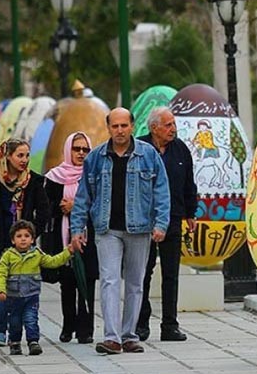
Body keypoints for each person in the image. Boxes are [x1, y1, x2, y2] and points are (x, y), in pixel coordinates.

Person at [69, 108, 170, 355]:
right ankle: (112, 337)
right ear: (108, 128)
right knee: (110, 281)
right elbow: (83, 196)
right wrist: (77, 229)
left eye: (124, 125)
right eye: (115, 126)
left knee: (136, 283)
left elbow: (162, 191)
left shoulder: (148, 155)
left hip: (140, 228)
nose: (120, 130)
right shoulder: (95, 158)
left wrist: (161, 223)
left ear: (132, 126)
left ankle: (129, 335)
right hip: (106, 229)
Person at [0, 138, 50, 347]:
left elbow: (44, 211)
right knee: (0, 286)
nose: (24, 160)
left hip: (25, 244)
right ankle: (2, 330)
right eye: (20, 155)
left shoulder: (34, 181)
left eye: (27, 155)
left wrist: (30, 233)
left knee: (26, 287)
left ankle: (26, 329)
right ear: (7, 156)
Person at [136, 107, 197, 342]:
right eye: (168, 125)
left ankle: (169, 324)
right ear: (154, 128)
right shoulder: (140, 148)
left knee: (171, 273)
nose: (174, 129)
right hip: (144, 220)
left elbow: (188, 183)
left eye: (173, 124)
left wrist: (191, 213)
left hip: (173, 218)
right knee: (143, 272)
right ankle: (141, 322)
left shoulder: (181, 149)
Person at [42, 132, 99, 344]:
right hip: (62, 238)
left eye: (85, 149)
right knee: (67, 283)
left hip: (88, 238)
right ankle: (68, 326)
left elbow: (101, 205)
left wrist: (76, 207)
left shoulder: (94, 175)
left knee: (88, 282)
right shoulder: (54, 177)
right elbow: (45, 210)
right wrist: (62, 209)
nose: (81, 153)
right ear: (68, 150)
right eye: (77, 149)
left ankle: (86, 329)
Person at [0, 220, 72, 356]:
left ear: (32, 239)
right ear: (13, 240)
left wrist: (68, 252)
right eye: (19, 236)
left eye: (26, 236)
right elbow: (0, 274)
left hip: (31, 296)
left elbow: (52, 261)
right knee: (15, 321)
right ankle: (15, 342)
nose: (23, 239)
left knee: (31, 319)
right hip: (14, 297)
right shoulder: (8, 256)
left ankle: (33, 342)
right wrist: (0, 290)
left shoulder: (37, 254)